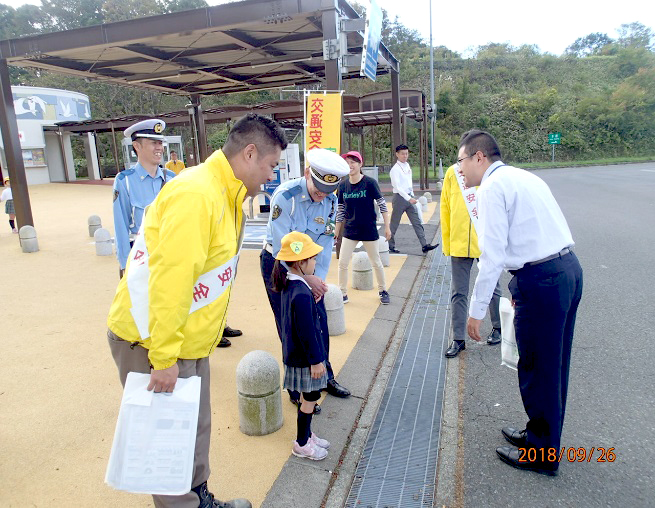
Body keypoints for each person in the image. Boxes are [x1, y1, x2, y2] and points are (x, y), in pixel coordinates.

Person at [106, 113, 287, 508]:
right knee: (166, 443)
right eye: (271, 166)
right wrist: (165, 356)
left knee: (192, 429)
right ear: (250, 153)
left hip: (188, 339)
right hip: (152, 339)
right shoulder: (198, 194)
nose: (271, 177)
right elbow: (171, 282)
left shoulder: (227, 193)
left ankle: (199, 496)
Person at [458, 130, 583, 476]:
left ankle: (543, 454)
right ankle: (539, 435)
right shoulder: (523, 176)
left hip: (541, 279)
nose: (460, 170)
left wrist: (476, 310)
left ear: (479, 157)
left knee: (537, 368)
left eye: (461, 161)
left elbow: (492, 254)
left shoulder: (492, 187)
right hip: (566, 270)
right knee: (553, 365)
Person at [260, 148, 351, 415]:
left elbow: (323, 242)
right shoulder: (285, 197)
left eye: (328, 189)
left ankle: (324, 376)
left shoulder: (331, 201)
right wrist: (305, 279)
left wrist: (317, 282)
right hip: (279, 266)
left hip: (311, 268)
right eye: (318, 187)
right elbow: (282, 249)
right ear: (307, 173)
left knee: (319, 320)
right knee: (290, 325)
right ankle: (296, 388)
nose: (322, 194)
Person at [272, 231, 331, 461]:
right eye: (312, 258)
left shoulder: (290, 285)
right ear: (299, 262)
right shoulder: (302, 292)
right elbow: (306, 332)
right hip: (306, 359)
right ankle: (302, 442)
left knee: (309, 397)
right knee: (310, 397)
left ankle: (306, 434)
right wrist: (317, 360)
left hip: (296, 355)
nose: (316, 262)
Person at [440, 163, 502, 358]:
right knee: (458, 292)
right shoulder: (453, 172)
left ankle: (498, 327)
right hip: (459, 241)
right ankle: (458, 338)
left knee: (492, 287)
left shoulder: (486, 171)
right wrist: (447, 242)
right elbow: (445, 206)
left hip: (484, 241)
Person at [112, 119, 176, 277]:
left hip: (171, 256)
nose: (159, 148)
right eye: (154, 143)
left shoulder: (173, 179)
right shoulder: (124, 181)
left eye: (160, 143)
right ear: (137, 146)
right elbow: (121, 227)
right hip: (141, 258)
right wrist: (126, 265)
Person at [336, 150, 391, 305]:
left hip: (368, 229)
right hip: (350, 230)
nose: (350, 165)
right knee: (343, 263)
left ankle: (383, 290)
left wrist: (387, 227)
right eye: (347, 163)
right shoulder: (343, 186)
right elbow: (340, 210)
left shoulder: (370, 183)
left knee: (376, 262)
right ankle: (342, 293)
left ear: (360, 164)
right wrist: (336, 231)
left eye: (353, 162)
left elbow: (382, 205)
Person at [388, 144, 438, 254]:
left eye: (406, 153)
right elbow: (397, 186)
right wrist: (408, 198)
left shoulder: (407, 166)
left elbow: (408, 183)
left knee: (417, 221)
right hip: (400, 198)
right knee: (394, 224)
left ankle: (424, 245)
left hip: (410, 197)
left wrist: (412, 196)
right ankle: (390, 245)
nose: (405, 156)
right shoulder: (395, 170)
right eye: (402, 154)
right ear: (397, 154)